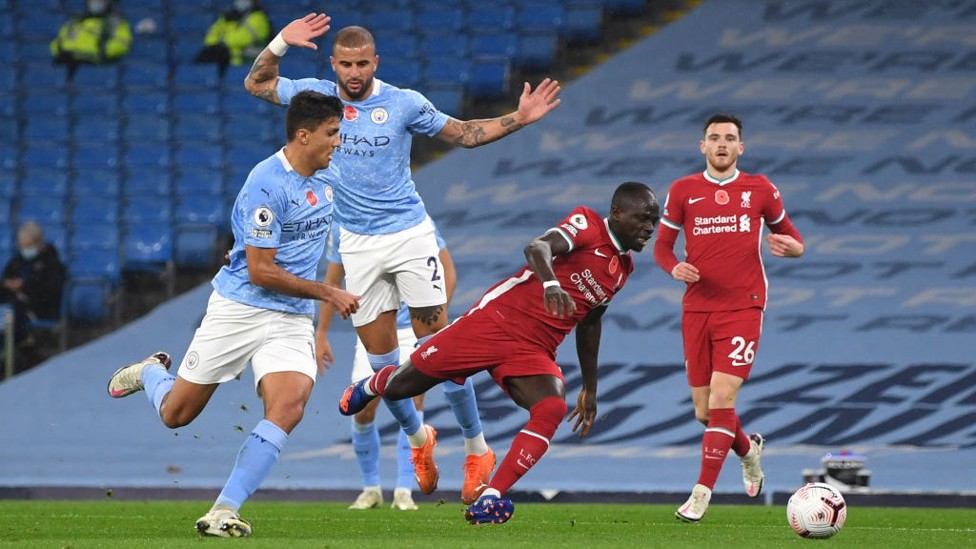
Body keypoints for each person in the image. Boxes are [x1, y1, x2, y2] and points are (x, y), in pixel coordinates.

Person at [242, 15, 560, 499]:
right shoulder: (317, 98)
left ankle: (477, 450)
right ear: (333, 63)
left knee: (443, 347)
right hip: (358, 246)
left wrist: (519, 119)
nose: (354, 72)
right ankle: (419, 436)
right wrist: (282, 41)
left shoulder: (404, 103)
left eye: (362, 63)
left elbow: (464, 133)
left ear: (376, 62)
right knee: (382, 369)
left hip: (411, 236)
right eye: (345, 63)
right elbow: (257, 82)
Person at [106, 91, 360, 538]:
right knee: (176, 415)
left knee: (290, 406)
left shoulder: (330, 175)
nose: (338, 141)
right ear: (304, 135)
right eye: (332, 133)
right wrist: (328, 291)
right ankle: (148, 373)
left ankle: (225, 508)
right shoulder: (265, 184)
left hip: (290, 316)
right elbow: (261, 271)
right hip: (240, 307)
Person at [339, 182, 661, 525]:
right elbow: (536, 247)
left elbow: (591, 324)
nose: (649, 228)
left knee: (551, 407)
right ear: (617, 213)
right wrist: (551, 284)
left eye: (654, 221)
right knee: (402, 387)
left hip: (533, 351)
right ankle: (372, 385)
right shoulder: (588, 224)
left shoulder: (622, 271)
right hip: (494, 322)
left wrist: (591, 388)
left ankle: (491, 497)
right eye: (643, 219)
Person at [653, 114, 805, 523]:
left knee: (723, 400)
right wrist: (674, 269)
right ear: (701, 146)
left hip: (743, 305)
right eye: (714, 137)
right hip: (697, 307)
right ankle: (748, 450)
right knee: (705, 413)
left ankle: (701, 493)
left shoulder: (760, 189)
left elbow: (795, 240)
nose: (722, 144)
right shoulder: (683, 190)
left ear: (742, 147)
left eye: (730, 138)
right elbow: (663, 248)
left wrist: (790, 248)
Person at [316, 219, 492, 510]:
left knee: (412, 396)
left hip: (411, 327)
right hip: (372, 326)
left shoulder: (412, 216)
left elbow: (447, 269)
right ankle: (371, 488)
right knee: (363, 410)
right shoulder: (344, 224)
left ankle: (403, 490)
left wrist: (435, 315)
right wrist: (321, 333)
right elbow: (332, 283)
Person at [0, 221, 67, 369]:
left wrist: (25, 286)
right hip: (15, 303)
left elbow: (51, 290)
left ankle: (18, 356)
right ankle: (24, 350)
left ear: (38, 243)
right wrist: (7, 285)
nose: (25, 249)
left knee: (13, 313)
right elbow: (6, 281)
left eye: (28, 245)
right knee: (10, 310)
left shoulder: (51, 263)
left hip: (40, 307)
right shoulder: (17, 262)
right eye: (22, 245)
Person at [50, 0, 132, 79]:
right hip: (67, 61)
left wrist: (98, 53)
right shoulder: (75, 20)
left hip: (94, 66)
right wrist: (60, 50)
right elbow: (58, 41)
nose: (95, 2)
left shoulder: (116, 22)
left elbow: (122, 44)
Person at [194, 0, 272, 75]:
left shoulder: (259, 17)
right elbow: (210, 38)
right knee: (207, 53)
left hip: (245, 59)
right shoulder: (227, 16)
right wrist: (223, 40)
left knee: (217, 52)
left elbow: (242, 38)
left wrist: (222, 39)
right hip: (225, 54)